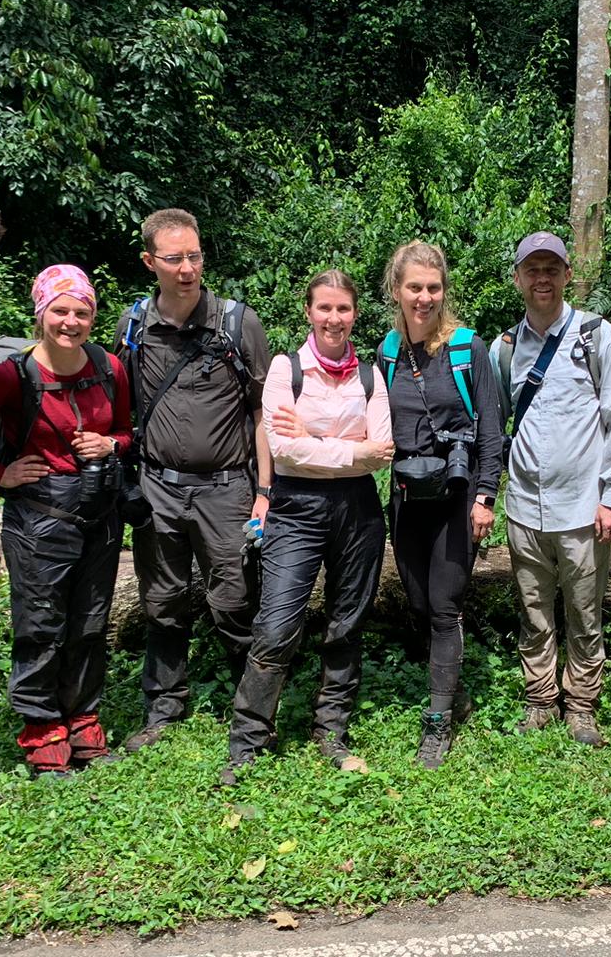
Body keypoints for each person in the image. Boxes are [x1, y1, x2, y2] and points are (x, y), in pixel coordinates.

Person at [0, 266, 132, 777]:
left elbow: (125, 431)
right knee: (40, 625)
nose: (71, 322)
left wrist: (110, 445)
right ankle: (42, 729)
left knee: (90, 622)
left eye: (82, 312)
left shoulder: (108, 367)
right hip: (38, 516)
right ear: (41, 314)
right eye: (60, 311)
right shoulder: (13, 375)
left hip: (99, 511)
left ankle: (83, 720)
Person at [221, 270, 394, 784]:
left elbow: (381, 452)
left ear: (354, 313)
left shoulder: (370, 375)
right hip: (294, 508)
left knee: (347, 620)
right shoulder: (284, 369)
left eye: (343, 309)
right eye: (324, 308)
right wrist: (351, 448)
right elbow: (284, 448)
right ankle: (248, 739)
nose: (334, 318)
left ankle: (331, 729)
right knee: (276, 623)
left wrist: (319, 441)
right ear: (309, 311)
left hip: (358, 509)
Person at [114, 209, 274, 754]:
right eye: (174, 258)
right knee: (162, 600)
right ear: (149, 262)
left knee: (232, 598)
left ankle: (251, 706)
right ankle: (163, 708)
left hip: (228, 488)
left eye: (195, 255)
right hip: (158, 486)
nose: (187, 268)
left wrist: (264, 491)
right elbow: (121, 408)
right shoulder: (133, 327)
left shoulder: (236, 323)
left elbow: (262, 412)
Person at [491, 233, 611, 746]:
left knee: (585, 612)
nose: (542, 278)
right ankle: (540, 699)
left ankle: (582, 705)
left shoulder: (597, 337)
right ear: (518, 279)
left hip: (582, 508)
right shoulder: (503, 349)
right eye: (533, 269)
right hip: (525, 506)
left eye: (552, 268)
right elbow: (496, 424)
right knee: (533, 609)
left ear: (568, 275)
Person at [377, 241, 504, 768]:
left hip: (456, 496)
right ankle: (451, 689)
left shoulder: (467, 349)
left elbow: (493, 429)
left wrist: (485, 496)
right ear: (396, 291)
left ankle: (437, 722)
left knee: (445, 606)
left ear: (443, 290)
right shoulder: (386, 352)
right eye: (414, 288)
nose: (424, 297)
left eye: (433, 287)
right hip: (407, 497)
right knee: (423, 604)